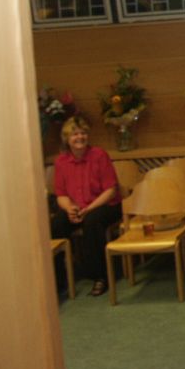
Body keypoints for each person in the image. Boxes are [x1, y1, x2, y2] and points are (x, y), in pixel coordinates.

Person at [50, 116, 122, 297]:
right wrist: (69, 209)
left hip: (105, 205)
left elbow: (111, 190)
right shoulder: (61, 162)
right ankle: (59, 280)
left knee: (91, 221)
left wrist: (88, 209)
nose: (80, 137)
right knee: (56, 225)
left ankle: (101, 276)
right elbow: (61, 194)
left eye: (83, 133)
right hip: (77, 207)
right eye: (74, 134)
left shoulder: (99, 155)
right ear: (67, 139)